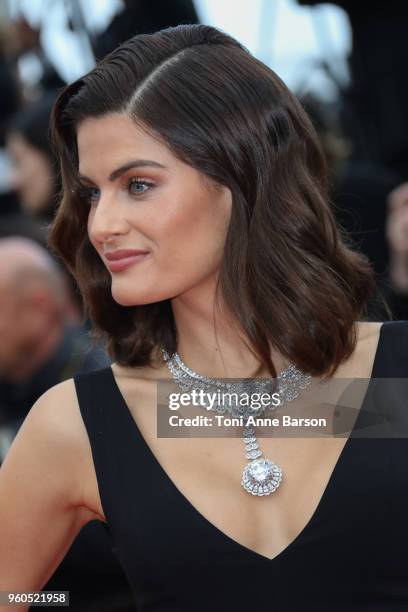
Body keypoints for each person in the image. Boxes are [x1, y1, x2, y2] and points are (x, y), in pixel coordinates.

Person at [0, 24, 407, 611]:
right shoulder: (79, 426)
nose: (101, 224)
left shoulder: (394, 378)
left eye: (137, 185)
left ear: (240, 179)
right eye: (92, 193)